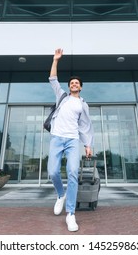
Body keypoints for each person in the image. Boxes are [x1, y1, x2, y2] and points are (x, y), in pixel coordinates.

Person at [47, 48, 94, 232]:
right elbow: (52, 79)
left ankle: (71, 214)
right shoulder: (62, 96)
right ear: (69, 87)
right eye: (72, 83)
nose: (74, 84)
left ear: (80, 87)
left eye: (77, 83)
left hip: (73, 140)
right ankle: (61, 194)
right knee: (53, 172)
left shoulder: (83, 105)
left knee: (73, 172)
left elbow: (85, 126)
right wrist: (56, 60)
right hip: (57, 138)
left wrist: (88, 144)